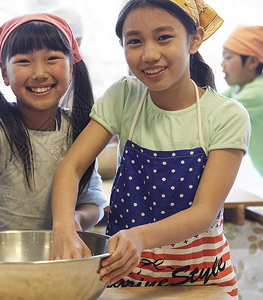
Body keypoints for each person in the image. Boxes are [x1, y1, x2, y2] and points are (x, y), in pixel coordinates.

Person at [50, 0, 250, 298]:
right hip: (126, 274)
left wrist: (140, 236)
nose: (149, 54)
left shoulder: (225, 115)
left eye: (163, 37)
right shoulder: (124, 96)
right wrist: (64, 224)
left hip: (201, 278)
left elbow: (204, 213)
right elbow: (71, 166)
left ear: (194, 39)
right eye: (134, 41)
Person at [0, 13, 108, 249]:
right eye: (24, 61)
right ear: (4, 73)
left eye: (52, 58)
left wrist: (75, 219)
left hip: (56, 266)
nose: (39, 73)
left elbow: (93, 203)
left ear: (70, 69)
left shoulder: (77, 130)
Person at [222, 25, 263, 177]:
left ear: (252, 62)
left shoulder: (258, 91)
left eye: (228, 57)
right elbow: (213, 101)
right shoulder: (237, 89)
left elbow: (220, 112)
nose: (222, 64)